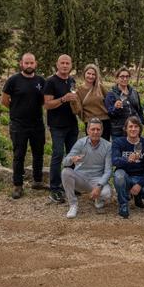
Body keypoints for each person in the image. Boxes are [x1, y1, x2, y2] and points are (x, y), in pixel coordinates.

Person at [1, 53, 46, 199]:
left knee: (38, 153)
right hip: (18, 125)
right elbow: (5, 100)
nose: (29, 66)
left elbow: (45, 100)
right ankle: (18, 185)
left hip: (37, 123)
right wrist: (17, 111)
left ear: (35, 64)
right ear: (21, 63)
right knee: (19, 155)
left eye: (31, 63)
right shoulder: (13, 80)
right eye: (26, 63)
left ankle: (37, 181)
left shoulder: (41, 81)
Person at [43, 54, 80, 204]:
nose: (65, 65)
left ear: (71, 65)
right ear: (57, 65)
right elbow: (47, 104)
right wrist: (64, 99)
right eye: (62, 63)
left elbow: (74, 100)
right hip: (57, 125)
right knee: (58, 155)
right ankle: (54, 188)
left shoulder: (72, 81)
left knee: (72, 156)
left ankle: (69, 185)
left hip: (72, 124)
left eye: (67, 63)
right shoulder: (50, 82)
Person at [111, 116, 144, 219]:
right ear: (125, 129)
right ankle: (123, 204)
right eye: (130, 126)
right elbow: (114, 161)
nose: (133, 129)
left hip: (140, 176)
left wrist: (139, 184)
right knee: (118, 175)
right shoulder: (118, 142)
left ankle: (138, 194)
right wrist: (127, 159)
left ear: (140, 129)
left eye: (136, 126)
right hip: (125, 175)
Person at [61, 118, 112, 219]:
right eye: (93, 129)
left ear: (102, 131)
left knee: (107, 193)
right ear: (88, 130)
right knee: (65, 172)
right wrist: (72, 159)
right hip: (81, 178)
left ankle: (98, 198)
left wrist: (98, 187)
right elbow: (65, 162)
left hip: (97, 178)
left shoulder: (108, 146)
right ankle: (73, 204)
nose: (95, 132)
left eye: (98, 129)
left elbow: (108, 170)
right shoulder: (80, 143)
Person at [69, 64, 111, 140]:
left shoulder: (100, 87)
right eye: (88, 73)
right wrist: (73, 101)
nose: (91, 76)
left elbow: (110, 100)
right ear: (84, 74)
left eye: (93, 74)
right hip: (90, 122)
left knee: (104, 147)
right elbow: (77, 110)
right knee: (92, 148)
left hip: (104, 121)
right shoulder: (79, 90)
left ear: (96, 76)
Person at [104, 67, 144, 139]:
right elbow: (110, 113)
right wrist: (116, 108)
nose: (125, 79)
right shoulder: (111, 94)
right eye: (122, 77)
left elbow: (139, 109)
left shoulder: (134, 92)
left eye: (127, 76)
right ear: (117, 78)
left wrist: (141, 121)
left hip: (134, 129)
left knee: (134, 149)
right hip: (119, 131)